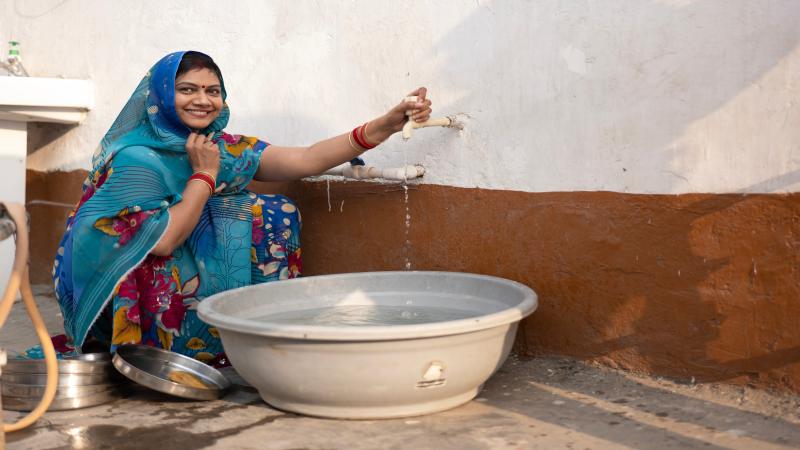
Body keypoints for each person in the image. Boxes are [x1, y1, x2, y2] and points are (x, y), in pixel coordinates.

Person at [38, 51, 432, 363]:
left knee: (273, 210)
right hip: (120, 297)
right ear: (159, 95)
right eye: (188, 89)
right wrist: (203, 176)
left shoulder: (217, 145)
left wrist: (385, 125)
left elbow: (305, 159)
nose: (203, 100)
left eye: (213, 90)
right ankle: (170, 347)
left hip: (180, 257)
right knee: (180, 232)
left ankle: (247, 330)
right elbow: (162, 242)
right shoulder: (136, 158)